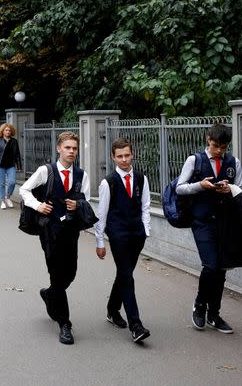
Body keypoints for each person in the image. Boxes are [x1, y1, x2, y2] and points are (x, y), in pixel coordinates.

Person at [20, 131, 90, 345]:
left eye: (74, 148)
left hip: (70, 229)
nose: (71, 151)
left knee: (70, 273)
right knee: (57, 272)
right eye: (68, 147)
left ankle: (49, 294)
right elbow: (24, 189)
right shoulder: (46, 171)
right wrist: (38, 205)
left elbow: (85, 200)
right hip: (49, 229)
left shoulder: (81, 175)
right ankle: (65, 324)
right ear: (59, 148)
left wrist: (77, 205)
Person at [176, 123, 242, 334]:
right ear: (208, 139)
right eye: (215, 146)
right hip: (202, 220)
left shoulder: (233, 162)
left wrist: (228, 188)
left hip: (224, 221)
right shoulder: (194, 160)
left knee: (221, 268)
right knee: (211, 265)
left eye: (223, 147)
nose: (219, 151)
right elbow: (179, 187)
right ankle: (199, 306)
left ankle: (214, 313)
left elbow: (240, 189)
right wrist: (200, 186)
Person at [93, 138, 151, 343]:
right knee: (127, 276)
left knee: (124, 274)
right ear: (113, 157)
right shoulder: (108, 182)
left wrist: (146, 230)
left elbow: (145, 206)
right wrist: (100, 242)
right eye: (120, 156)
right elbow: (102, 213)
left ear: (132, 154)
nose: (124, 159)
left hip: (137, 234)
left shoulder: (142, 178)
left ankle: (112, 309)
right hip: (117, 235)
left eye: (127, 155)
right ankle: (136, 325)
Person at [0, 123, 22, 209]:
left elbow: (17, 154)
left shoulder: (14, 141)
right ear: (2, 131)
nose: (8, 132)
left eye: (9, 130)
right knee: (2, 184)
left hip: (11, 165)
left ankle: (8, 197)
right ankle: (2, 201)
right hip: (0, 166)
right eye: (6, 130)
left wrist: (19, 166)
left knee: (12, 182)